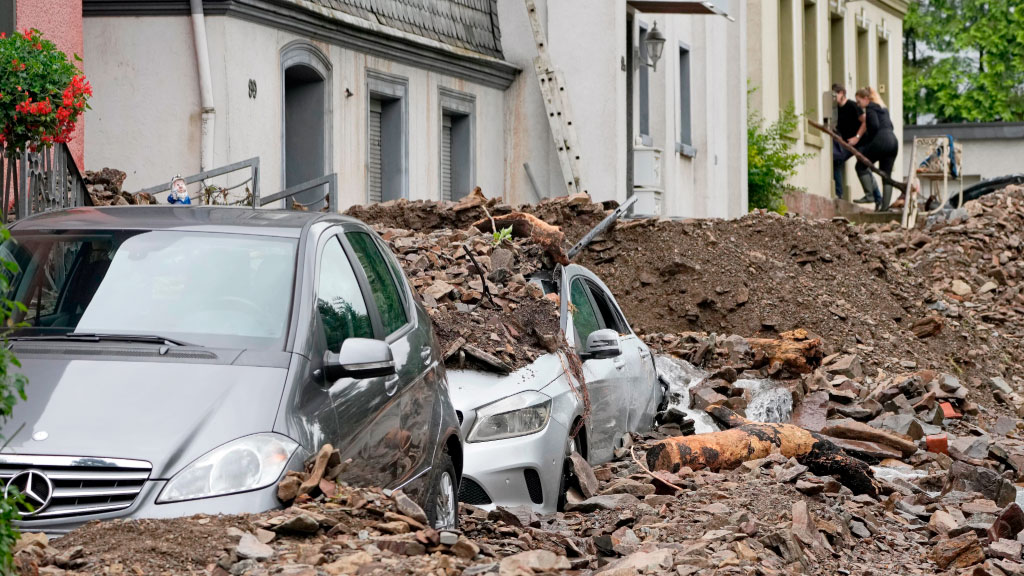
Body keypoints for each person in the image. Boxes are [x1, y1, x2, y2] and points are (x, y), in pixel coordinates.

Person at [851, 87, 899, 211]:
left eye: (858, 101)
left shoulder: (870, 108)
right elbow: (891, 125)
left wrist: (870, 143)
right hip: (893, 141)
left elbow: (874, 126)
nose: (858, 104)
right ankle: (885, 208)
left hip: (881, 140)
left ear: (866, 99)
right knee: (886, 174)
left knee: (860, 166)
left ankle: (869, 195)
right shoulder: (883, 108)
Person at [831, 84, 864, 200]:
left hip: (859, 142)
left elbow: (865, 121)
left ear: (842, 93)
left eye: (836, 94)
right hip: (845, 143)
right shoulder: (836, 109)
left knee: (863, 166)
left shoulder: (853, 106)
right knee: (837, 160)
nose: (834, 97)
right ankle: (839, 194)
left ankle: (877, 197)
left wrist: (857, 137)